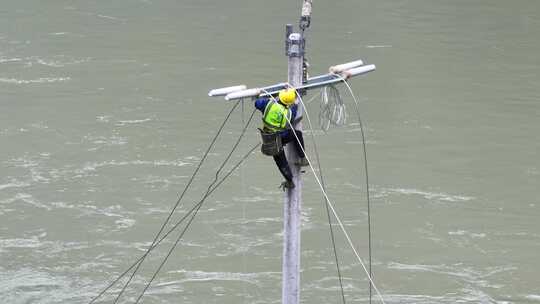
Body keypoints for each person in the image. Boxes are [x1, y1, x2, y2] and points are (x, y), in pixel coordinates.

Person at [255, 88, 309, 190]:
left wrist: (270, 96)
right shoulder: (287, 113)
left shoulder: (268, 105)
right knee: (297, 134)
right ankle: (302, 158)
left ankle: (289, 181)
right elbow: (292, 115)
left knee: (280, 161)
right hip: (281, 136)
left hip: (269, 138)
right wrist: (296, 104)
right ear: (289, 103)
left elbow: (257, 103)